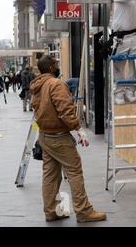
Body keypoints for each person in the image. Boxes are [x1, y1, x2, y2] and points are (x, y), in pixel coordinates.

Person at [30, 55, 107, 223]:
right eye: (56, 64)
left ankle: (51, 211)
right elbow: (65, 110)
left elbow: (36, 109)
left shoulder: (38, 85)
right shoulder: (55, 84)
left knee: (50, 175)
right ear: (51, 68)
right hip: (59, 137)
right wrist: (79, 129)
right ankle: (84, 211)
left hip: (45, 136)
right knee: (74, 171)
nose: (58, 67)